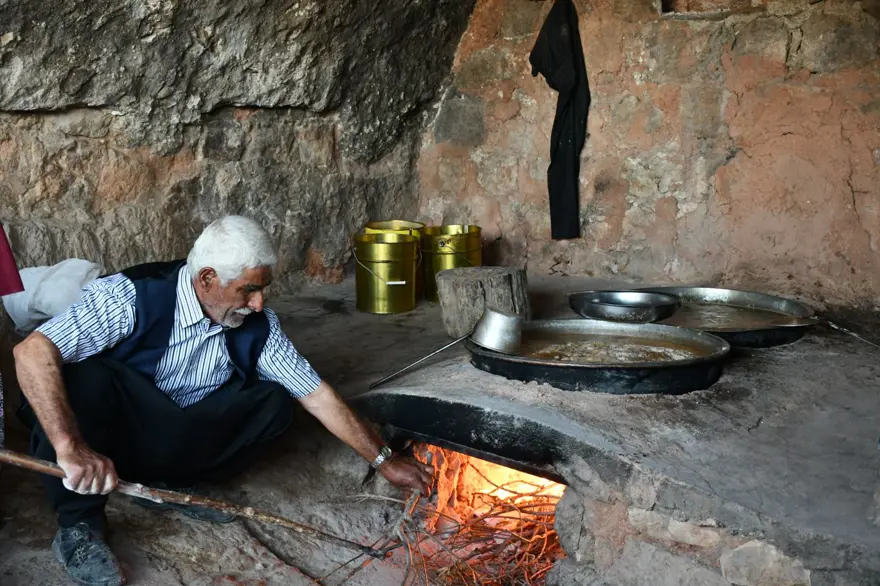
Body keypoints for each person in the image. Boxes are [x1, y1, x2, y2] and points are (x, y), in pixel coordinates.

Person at [13, 215, 434, 586]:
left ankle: (162, 484)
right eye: (249, 290)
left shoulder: (258, 326)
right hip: (111, 428)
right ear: (208, 279)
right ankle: (78, 525)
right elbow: (30, 353)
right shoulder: (130, 297)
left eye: (264, 289)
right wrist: (71, 447)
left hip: (173, 429)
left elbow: (317, 395)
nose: (259, 303)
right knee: (85, 378)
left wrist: (384, 460)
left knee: (274, 402)